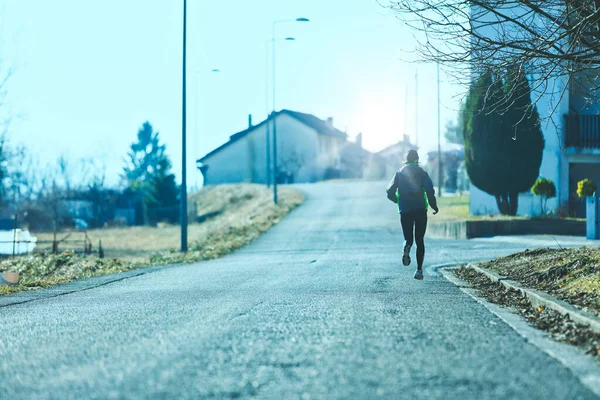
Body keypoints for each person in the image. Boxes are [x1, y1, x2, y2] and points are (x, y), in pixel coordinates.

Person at [386, 150, 438, 280]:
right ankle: (419, 271)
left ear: (406, 160)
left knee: (409, 238)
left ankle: (406, 245)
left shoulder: (399, 174)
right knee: (420, 240)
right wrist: (434, 206)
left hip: (405, 210)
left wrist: (397, 200)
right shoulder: (422, 173)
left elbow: (389, 191)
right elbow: (430, 191)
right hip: (420, 209)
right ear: (417, 159)